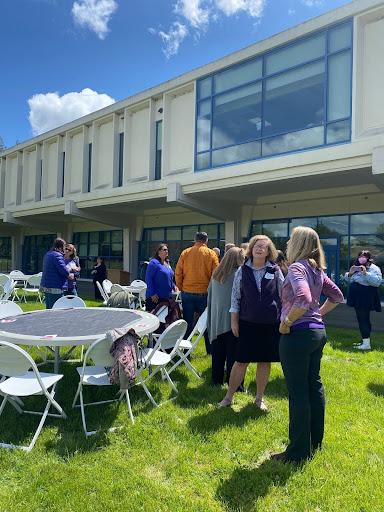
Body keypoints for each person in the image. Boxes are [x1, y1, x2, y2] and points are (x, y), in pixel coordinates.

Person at [272, 226, 344, 464]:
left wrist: (287, 321)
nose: (288, 243)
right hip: (316, 334)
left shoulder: (297, 267)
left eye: (292, 239)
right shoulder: (316, 268)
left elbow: (303, 298)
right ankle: (314, 443)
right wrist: (319, 315)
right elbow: (337, 296)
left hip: (298, 336)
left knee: (299, 392)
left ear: (298, 243)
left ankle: (297, 453)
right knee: (314, 386)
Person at [219, 235, 284, 411]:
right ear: (251, 249)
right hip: (247, 323)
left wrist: (284, 319)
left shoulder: (275, 270)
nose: (259, 248)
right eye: (256, 245)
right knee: (241, 361)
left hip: (270, 324)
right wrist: (234, 322)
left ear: (269, 251)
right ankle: (228, 397)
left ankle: (259, 399)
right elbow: (235, 298)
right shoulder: (242, 271)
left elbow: (284, 296)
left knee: (264, 362)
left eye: (264, 246)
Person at [175, 231, 219, 353]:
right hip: (205, 294)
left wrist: (181, 287)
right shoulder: (211, 254)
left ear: (195, 240)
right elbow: (216, 276)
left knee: (187, 324)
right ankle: (210, 351)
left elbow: (178, 273)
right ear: (206, 241)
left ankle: (185, 353)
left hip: (187, 293)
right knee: (206, 324)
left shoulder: (186, 252)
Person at [207, 247, 245, 386]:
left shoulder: (216, 275)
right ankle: (235, 384)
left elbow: (210, 297)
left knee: (218, 354)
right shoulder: (239, 275)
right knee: (234, 356)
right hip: (234, 321)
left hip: (217, 320)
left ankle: (216, 380)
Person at [345, 250, 382, 350]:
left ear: (369, 258)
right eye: (360, 256)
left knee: (363, 319)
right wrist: (350, 273)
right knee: (362, 318)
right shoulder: (356, 266)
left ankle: (366, 344)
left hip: (366, 297)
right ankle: (365, 341)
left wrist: (366, 273)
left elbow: (377, 282)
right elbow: (349, 279)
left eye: (364, 256)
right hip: (357, 297)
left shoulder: (374, 268)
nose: (361, 258)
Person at [41, 238, 75, 309]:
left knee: (49, 308)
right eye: (64, 247)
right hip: (55, 286)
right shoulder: (58, 256)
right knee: (57, 309)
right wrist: (70, 274)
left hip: (47, 285)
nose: (64, 249)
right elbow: (63, 271)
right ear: (60, 247)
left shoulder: (48, 254)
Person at [145, 243, 176, 312]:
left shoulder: (167, 263)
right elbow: (148, 278)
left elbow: (170, 277)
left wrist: (174, 286)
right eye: (164, 250)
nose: (166, 251)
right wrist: (152, 293)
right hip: (155, 298)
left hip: (166, 297)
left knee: (165, 320)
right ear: (159, 251)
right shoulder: (153, 263)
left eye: (167, 250)